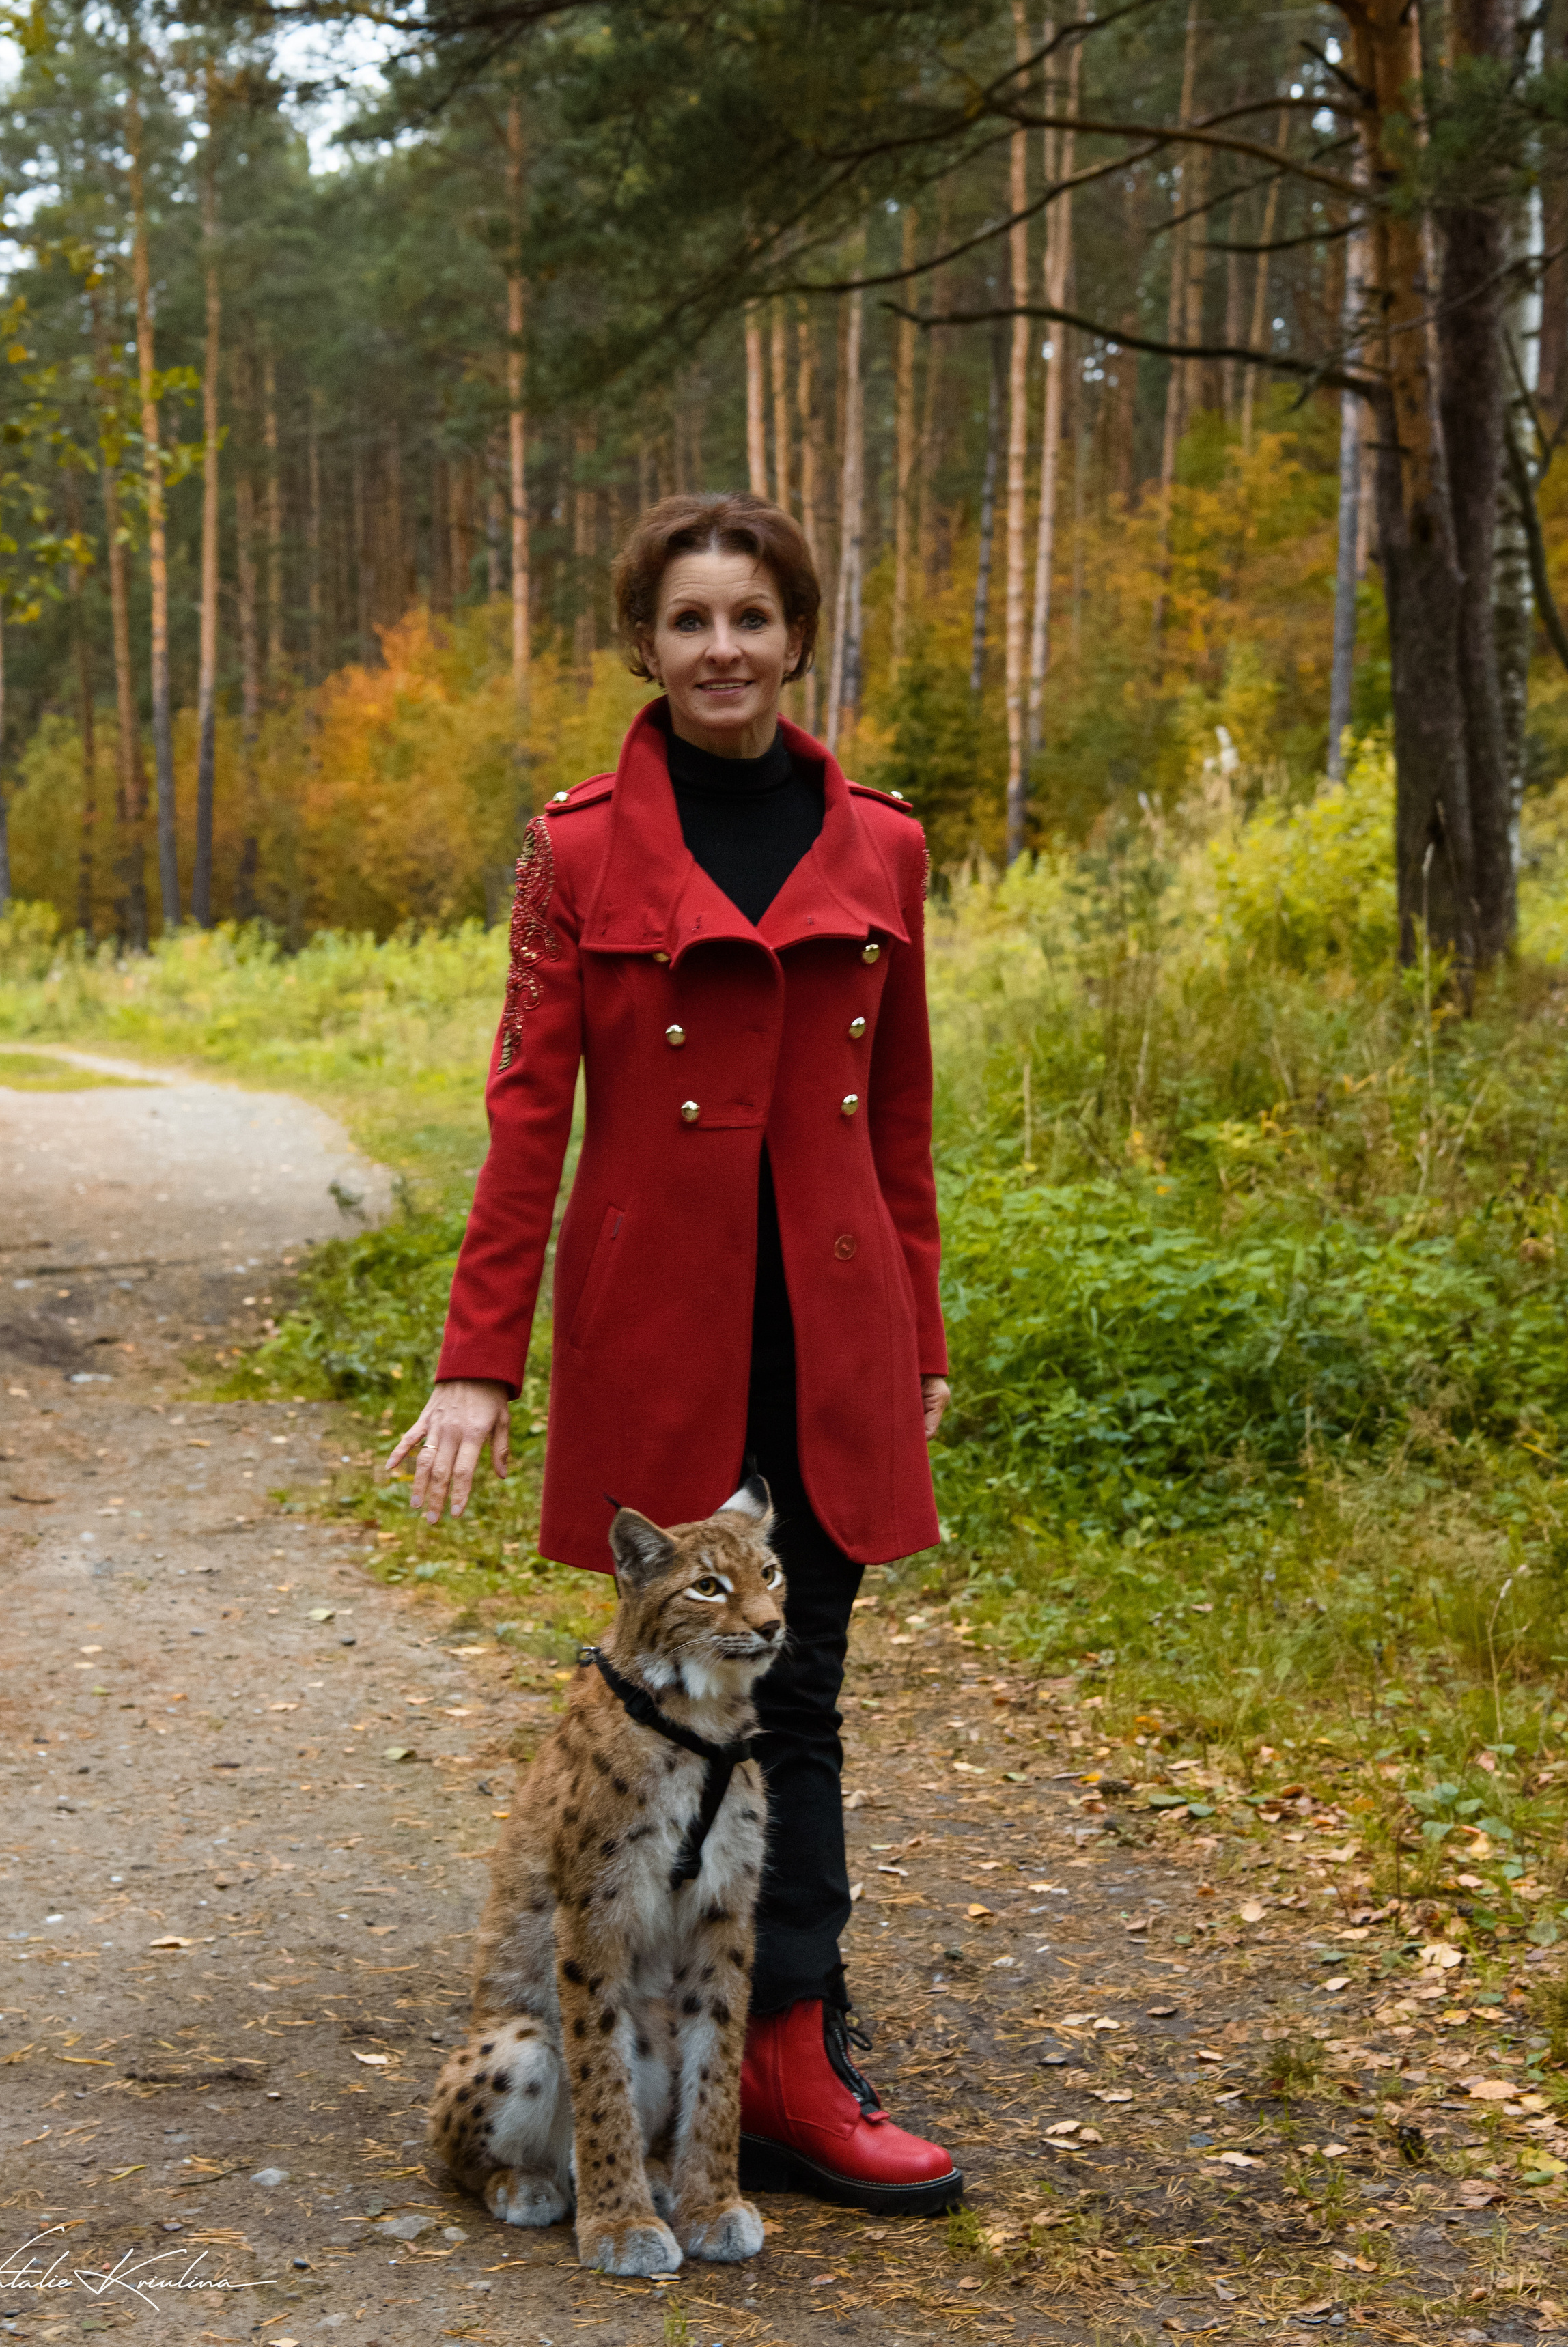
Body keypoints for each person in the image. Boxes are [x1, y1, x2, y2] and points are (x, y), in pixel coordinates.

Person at [392, 493, 960, 2217]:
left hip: (833, 1318)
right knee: (661, 1697)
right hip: (659, 1330)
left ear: (797, 636)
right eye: (689, 620)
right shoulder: (574, 856)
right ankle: (643, 2032)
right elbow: (523, 1115)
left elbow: (907, 1117)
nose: (722, 648)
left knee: (796, 1692)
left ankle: (786, 2050)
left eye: (752, 617)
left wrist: (919, 1328)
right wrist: (476, 1358)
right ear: (644, 644)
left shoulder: (882, 844)